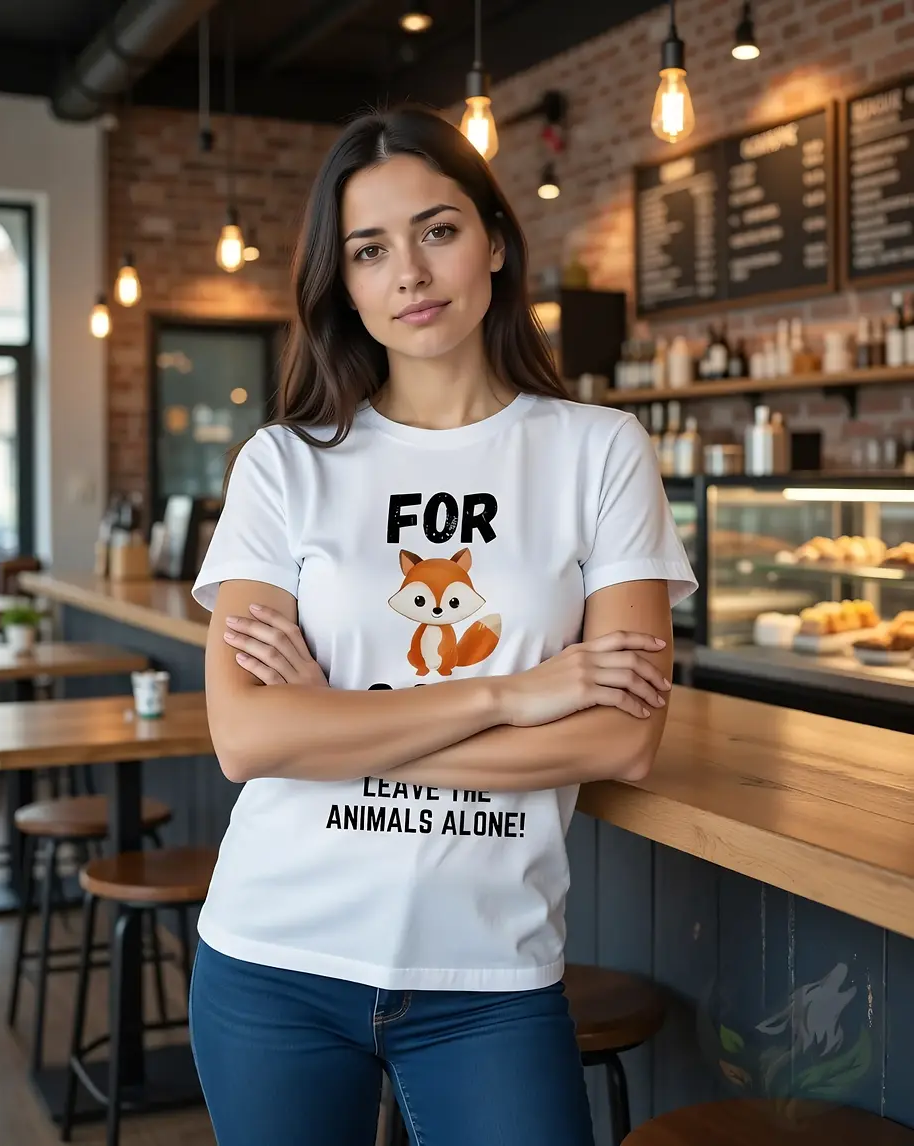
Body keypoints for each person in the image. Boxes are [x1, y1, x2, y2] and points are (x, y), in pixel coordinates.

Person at [187, 104, 697, 1146]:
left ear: (495, 242)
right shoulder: (284, 464)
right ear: (345, 282)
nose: (408, 274)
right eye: (369, 250)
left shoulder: (597, 452)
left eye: (436, 231)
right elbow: (245, 740)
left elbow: (618, 739)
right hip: (274, 959)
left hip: (487, 974)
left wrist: (331, 724)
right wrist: (511, 694)